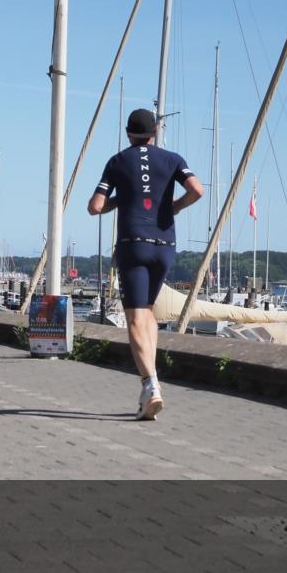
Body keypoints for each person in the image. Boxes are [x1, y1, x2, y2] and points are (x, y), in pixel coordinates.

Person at [88, 109, 203, 421]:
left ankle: (150, 384)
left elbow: (95, 207)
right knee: (149, 313)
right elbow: (197, 190)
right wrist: (174, 207)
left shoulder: (117, 161)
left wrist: (121, 200)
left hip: (133, 245)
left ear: (128, 133)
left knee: (136, 318)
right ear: (155, 132)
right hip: (165, 245)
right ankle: (149, 387)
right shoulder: (173, 158)